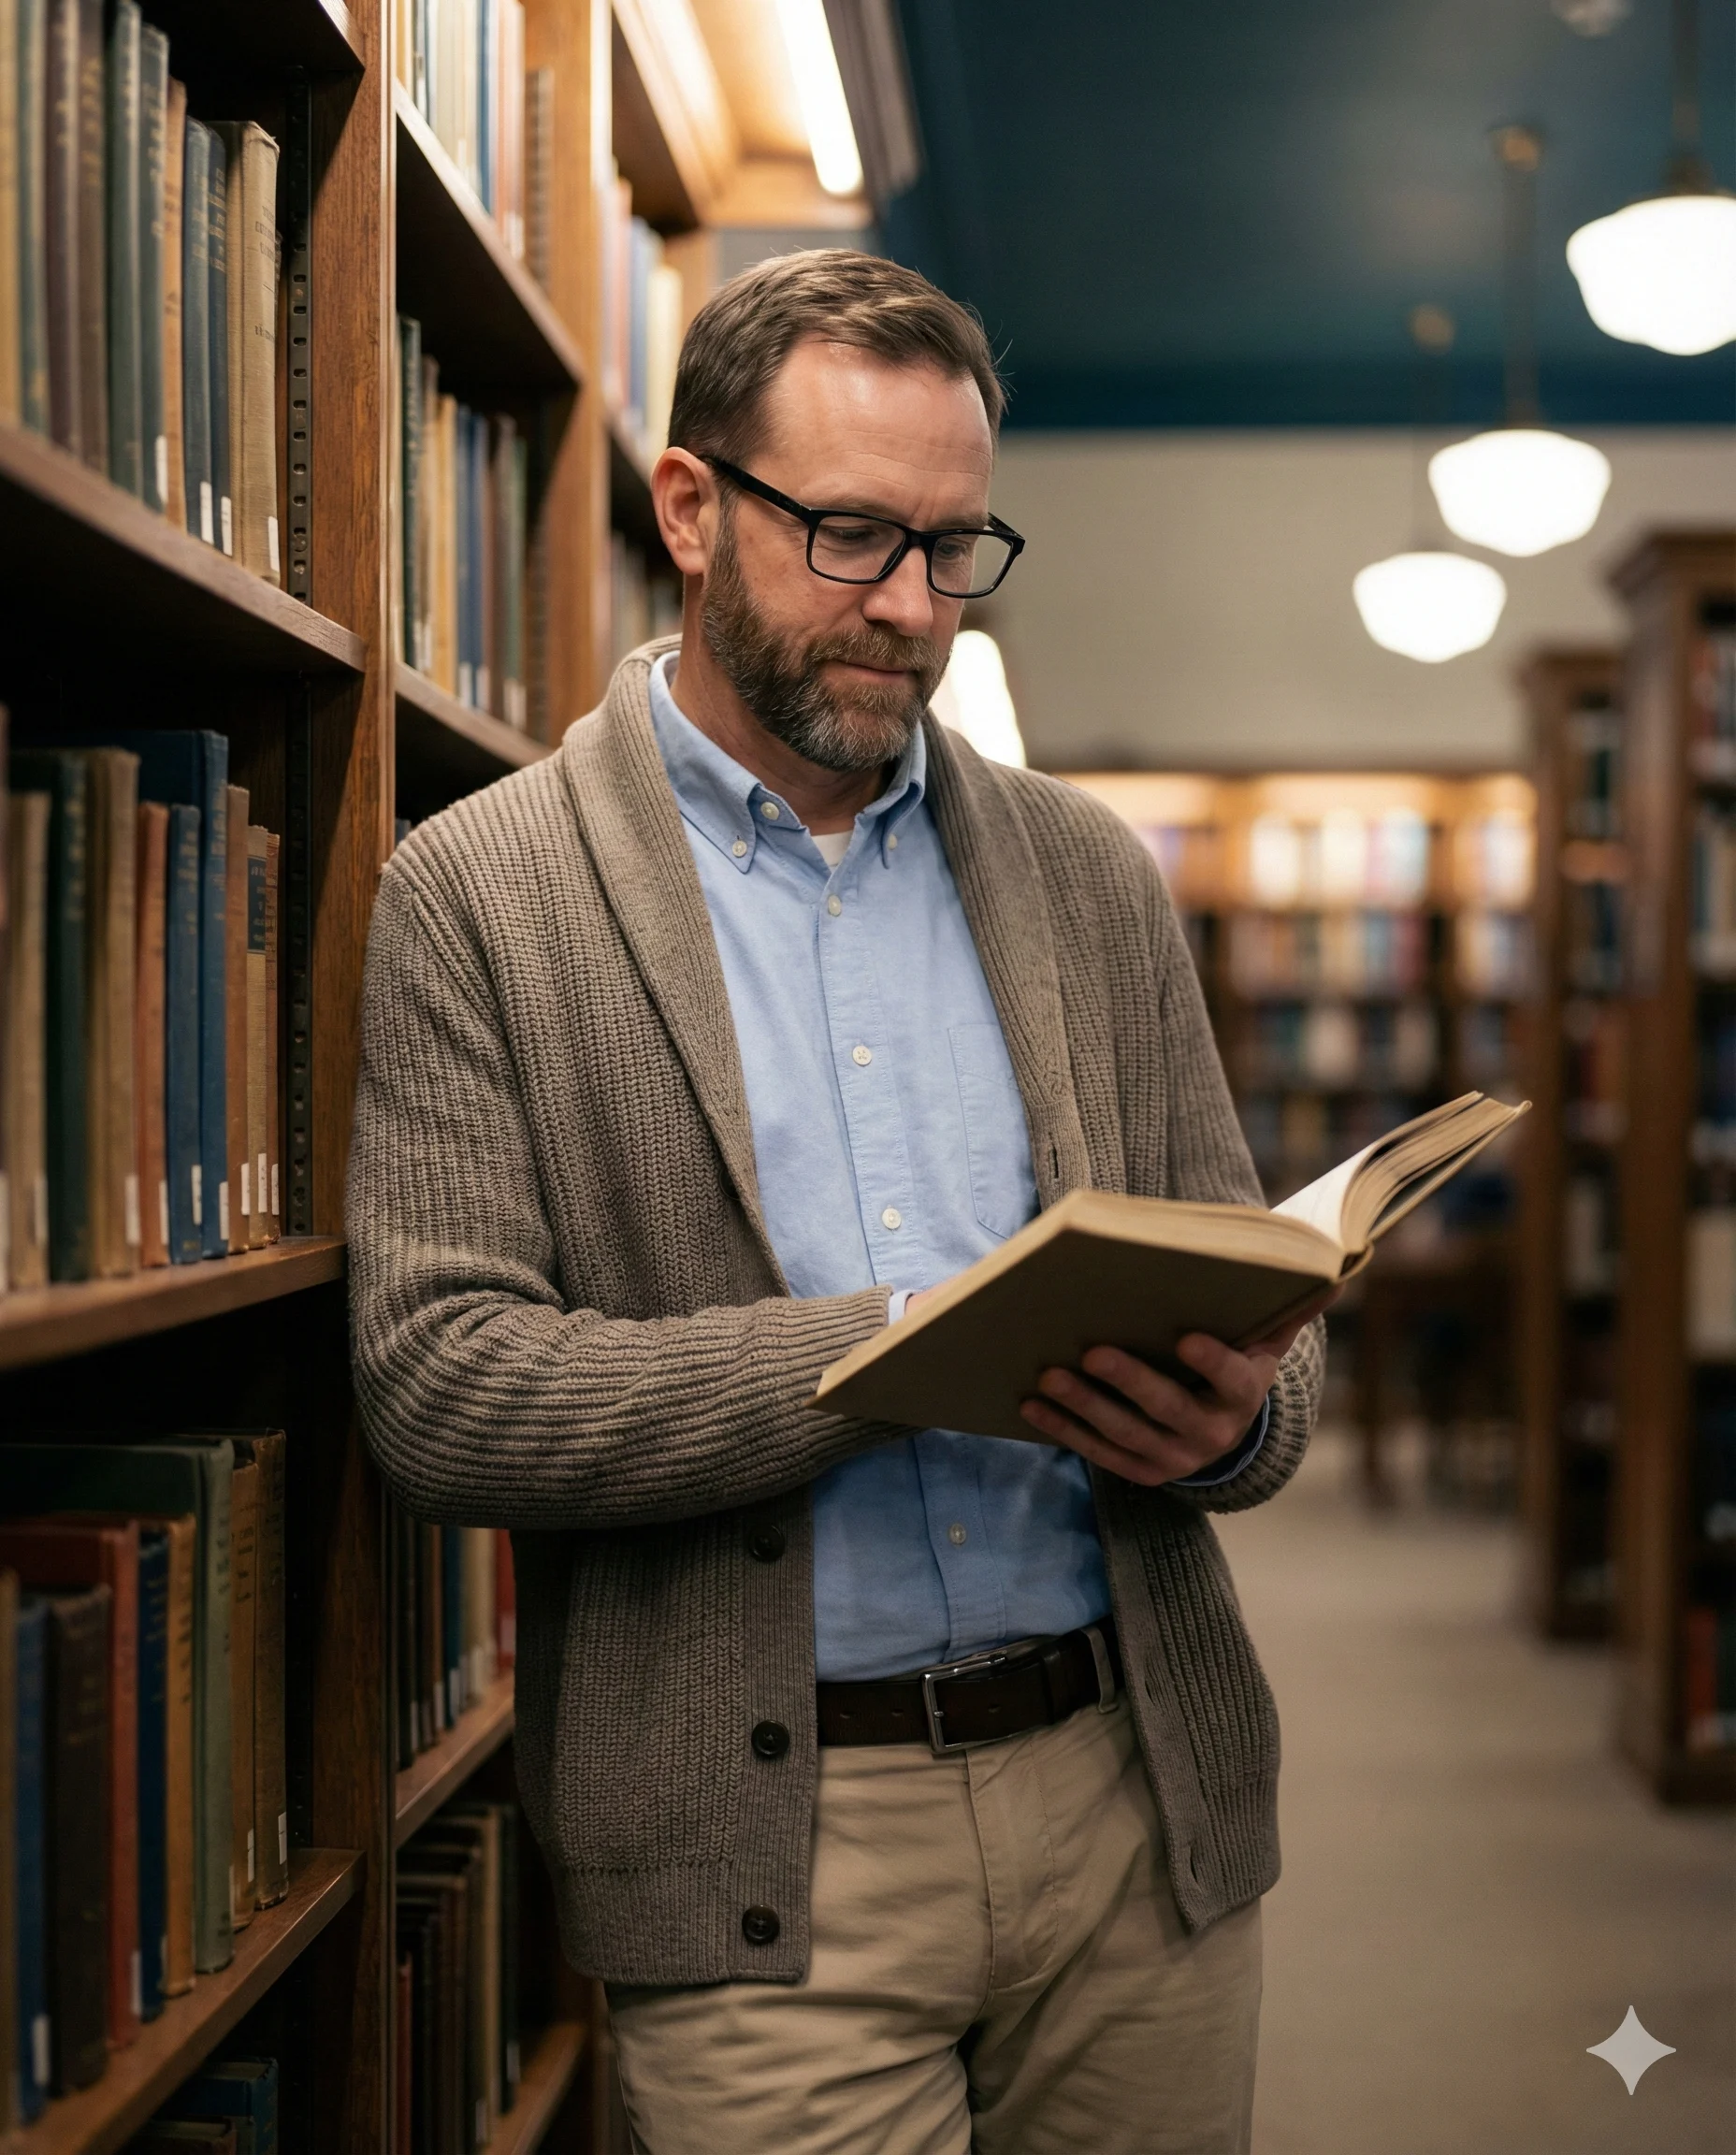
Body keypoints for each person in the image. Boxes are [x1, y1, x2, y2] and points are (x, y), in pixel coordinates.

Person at [349, 249, 1326, 2155]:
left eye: (956, 549)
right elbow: (441, 1388)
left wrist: (1238, 1421)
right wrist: (891, 1352)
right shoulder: (480, 893)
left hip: (1136, 1804)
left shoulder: (1091, 878)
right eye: (854, 535)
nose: (911, 608)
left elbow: (1258, 1308)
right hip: (765, 1859)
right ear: (689, 507)